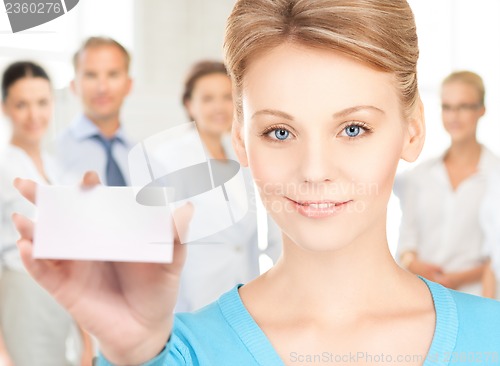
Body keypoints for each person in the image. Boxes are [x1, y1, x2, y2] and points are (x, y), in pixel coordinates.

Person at [12, 1, 500, 365]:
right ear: (241, 142)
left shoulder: (492, 339)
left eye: (353, 129)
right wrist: (134, 355)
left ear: (412, 130)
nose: (314, 170)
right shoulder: (173, 353)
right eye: (279, 132)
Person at [0, 61, 92, 366]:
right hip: (21, 298)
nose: (34, 115)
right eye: (21, 104)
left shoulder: (56, 170)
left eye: (42, 102)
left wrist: (86, 337)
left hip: (62, 301)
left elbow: (73, 254)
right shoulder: (3, 168)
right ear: (5, 108)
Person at [174, 60, 281, 312]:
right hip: (192, 295)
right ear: (190, 105)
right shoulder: (171, 158)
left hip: (242, 288)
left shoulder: (241, 156)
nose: (219, 107)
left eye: (227, 97)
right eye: (208, 98)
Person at [395, 71, 499, 296]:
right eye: (447, 107)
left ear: (481, 110)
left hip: (477, 297)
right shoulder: (420, 176)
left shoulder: (495, 175)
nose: (454, 116)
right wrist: (415, 264)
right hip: (425, 295)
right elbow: (405, 244)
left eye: (464, 106)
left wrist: (460, 278)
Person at [56, 37, 134, 186]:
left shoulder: (149, 164)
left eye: (113, 74)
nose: (102, 88)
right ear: (73, 86)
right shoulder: (52, 156)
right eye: (91, 75)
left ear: (129, 85)